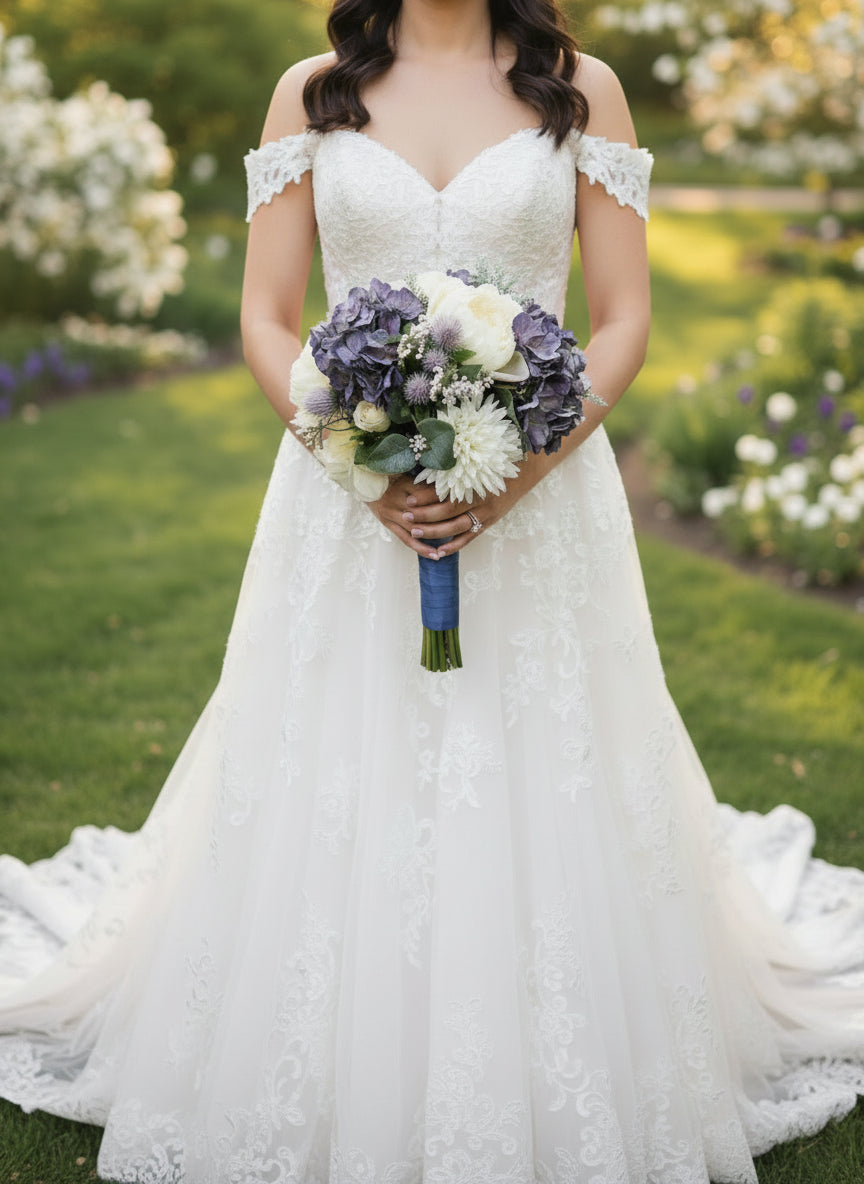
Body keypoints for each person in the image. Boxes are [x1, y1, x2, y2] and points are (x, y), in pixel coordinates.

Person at [1, 1, 863, 1181]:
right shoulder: (314, 91)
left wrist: (513, 472)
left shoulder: (581, 87)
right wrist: (356, 462)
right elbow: (265, 316)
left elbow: (622, 321)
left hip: (542, 501)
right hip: (347, 505)